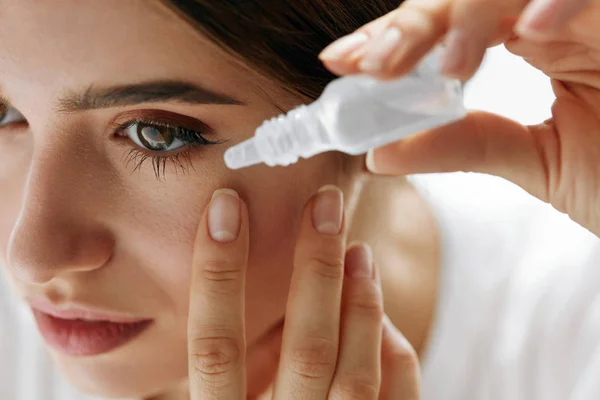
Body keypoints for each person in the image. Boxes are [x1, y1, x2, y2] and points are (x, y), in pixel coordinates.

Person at [0, 0, 598, 399]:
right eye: (4, 114)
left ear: (380, 111)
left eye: (158, 135)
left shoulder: (571, 341)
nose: (29, 257)